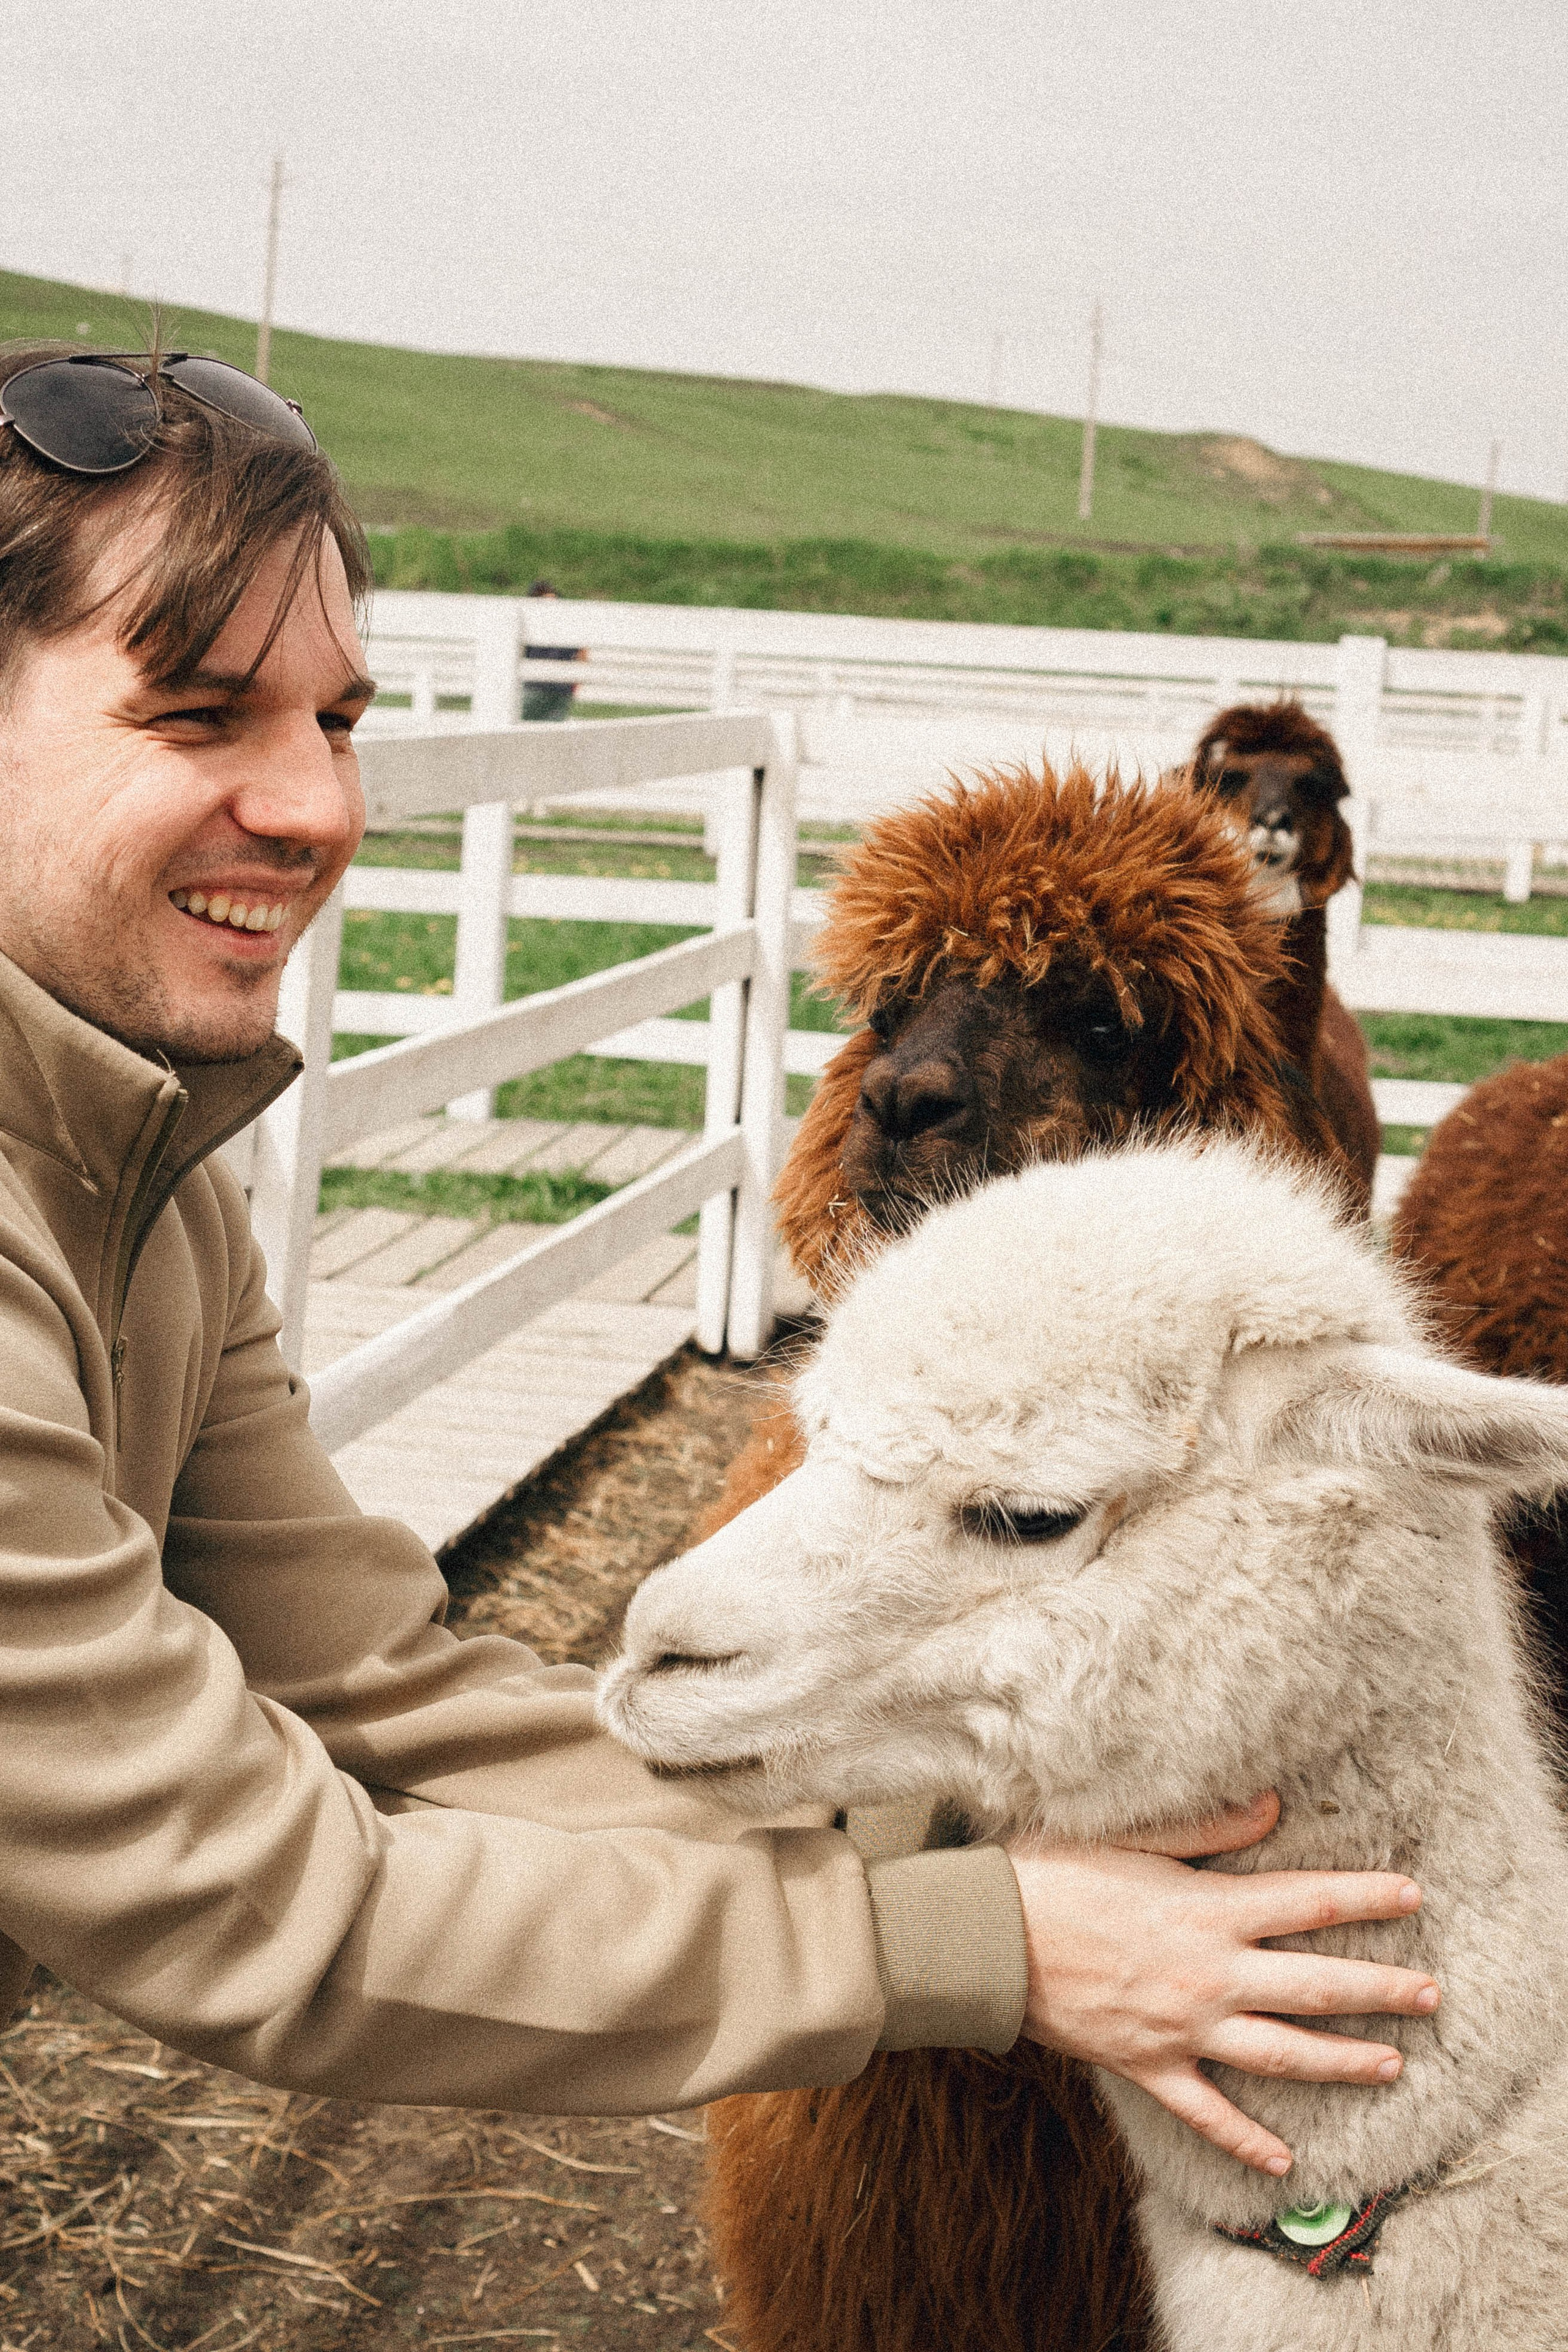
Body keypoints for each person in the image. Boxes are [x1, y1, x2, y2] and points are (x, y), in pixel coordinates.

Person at [0, 342, 1438, 2179]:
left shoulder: (148, 1174)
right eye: (200, 714)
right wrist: (973, 1941)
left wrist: (939, 1823)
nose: (315, 808)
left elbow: (373, 1688)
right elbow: (243, 1888)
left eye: (337, 721)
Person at [521, 577, 584, 720]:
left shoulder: (565, 627)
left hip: (556, 690)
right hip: (539, 687)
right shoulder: (534, 626)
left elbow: (581, 653)